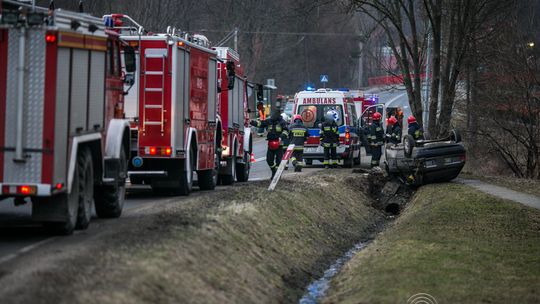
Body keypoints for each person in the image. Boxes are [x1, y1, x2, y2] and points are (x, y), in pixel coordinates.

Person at [250, 110, 289, 179]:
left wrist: (281, 137)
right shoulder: (269, 121)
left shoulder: (282, 122)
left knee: (278, 160)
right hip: (270, 143)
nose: (272, 118)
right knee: (269, 160)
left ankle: (277, 174)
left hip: (279, 144)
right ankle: (273, 170)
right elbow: (260, 124)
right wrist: (251, 122)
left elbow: (286, 131)